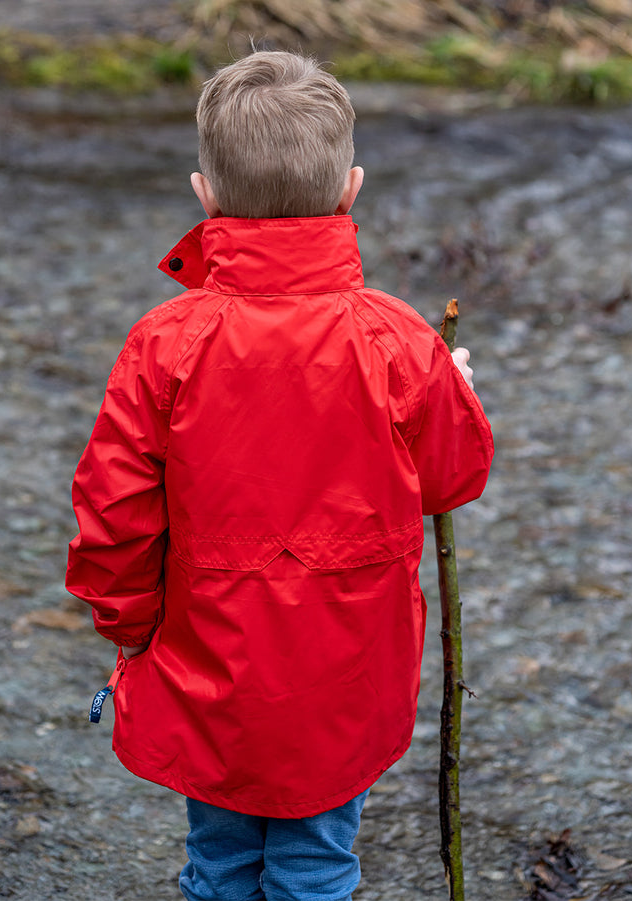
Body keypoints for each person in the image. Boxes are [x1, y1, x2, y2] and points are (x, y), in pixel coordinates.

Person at [66, 50, 494, 901]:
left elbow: (112, 514)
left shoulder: (164, 344)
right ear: (350, 190)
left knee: (219, 862)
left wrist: (128, 628)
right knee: (317, 864)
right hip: (346, 680)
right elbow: (452, 478)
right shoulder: (396, 340)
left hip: (208, 672)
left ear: (206, 194)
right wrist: (455, 393)